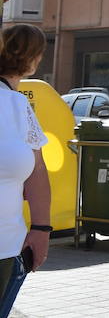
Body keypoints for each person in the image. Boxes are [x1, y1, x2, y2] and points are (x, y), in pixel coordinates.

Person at [0, 25, 50, 317]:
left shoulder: (19, 105)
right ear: (35, 59)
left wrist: (42, 228)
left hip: (6, 247)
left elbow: (37, 172)